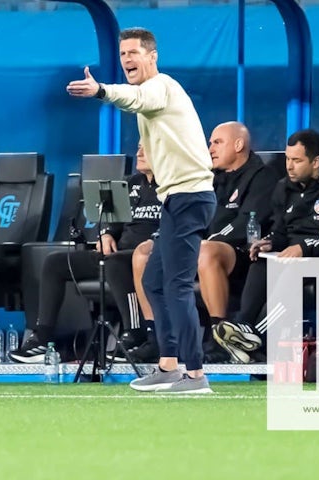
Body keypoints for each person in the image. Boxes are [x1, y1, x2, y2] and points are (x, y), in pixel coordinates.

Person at [67, 27, 216, 393]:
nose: (127, 60)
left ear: (153, 56)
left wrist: (101, 90)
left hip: (191, 196)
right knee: (153, 281)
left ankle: (195, 375)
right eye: (122, 55)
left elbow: (136, 99)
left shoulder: (162, 86)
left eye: (134, 53)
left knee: (177, 285)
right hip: (176, 198)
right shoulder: (148, 95)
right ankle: (167, 365)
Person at [127, 121, 278, 364]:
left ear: (238, 145)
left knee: (205, 251)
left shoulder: (263, 177)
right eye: (210, 143)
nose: (210, 149)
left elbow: (248, 222)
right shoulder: (208, 178)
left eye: (217, 142)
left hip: (241, 252)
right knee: (144, 253)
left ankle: (221, 338)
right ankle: (156, 337)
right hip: (199, 247)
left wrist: (205, 240)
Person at [212, 129, 319, 363]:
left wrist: (304, 248)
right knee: (260, 260)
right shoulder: (283, 187)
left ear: (316, 161)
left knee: (292, 270)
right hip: (291, 255)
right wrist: (268, 243)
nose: (289, 166)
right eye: (288, 159)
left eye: (297, 160)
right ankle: (243, 327)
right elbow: (281, 231)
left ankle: (254, 335)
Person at [9, 144, 160, 363]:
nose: (139, 153)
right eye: (138, 148)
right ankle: (41, 338)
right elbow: (110, 223)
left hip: (149, 257)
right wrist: (106, 235)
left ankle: (135, 334)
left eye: (146, 149)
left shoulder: (173, 186)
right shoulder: (130, 183)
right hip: (117, 252)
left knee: (115, 262)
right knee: (56, 263)